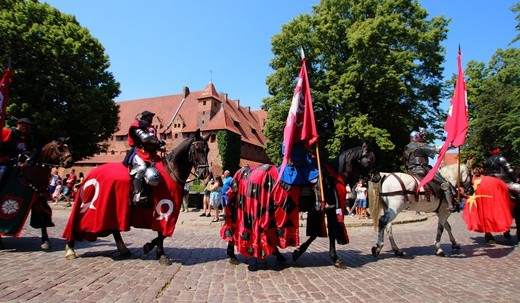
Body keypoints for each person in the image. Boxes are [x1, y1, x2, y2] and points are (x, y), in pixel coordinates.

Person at [403, 128, 456, 211]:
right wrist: (451, 145)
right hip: (422, 170)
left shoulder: (406, 148)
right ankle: (451, 205)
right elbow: (437, 149)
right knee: (445, 184)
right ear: (418, 138)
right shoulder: (420, 146)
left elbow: (405, 162)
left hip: (410, 171)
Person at [126, 110, 165, 204]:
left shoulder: (151, 128)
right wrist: (154, 140)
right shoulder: (138, 125)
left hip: (152, 154)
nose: (151, 118)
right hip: (140, 152)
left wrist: (160, 145)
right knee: (142, 168)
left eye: (151, 117)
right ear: (144, 117)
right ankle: (137, 194)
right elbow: (144, 138)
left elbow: (154, 140)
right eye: (149, 117)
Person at [0, 117, 38, 186]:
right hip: (4, 162)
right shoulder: (8, 132)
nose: (27, 127)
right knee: (3, 172)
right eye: (25, 125)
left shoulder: (29, 138)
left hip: (20, 164)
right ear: (18, 124)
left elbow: (34, 150)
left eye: (28, 125)